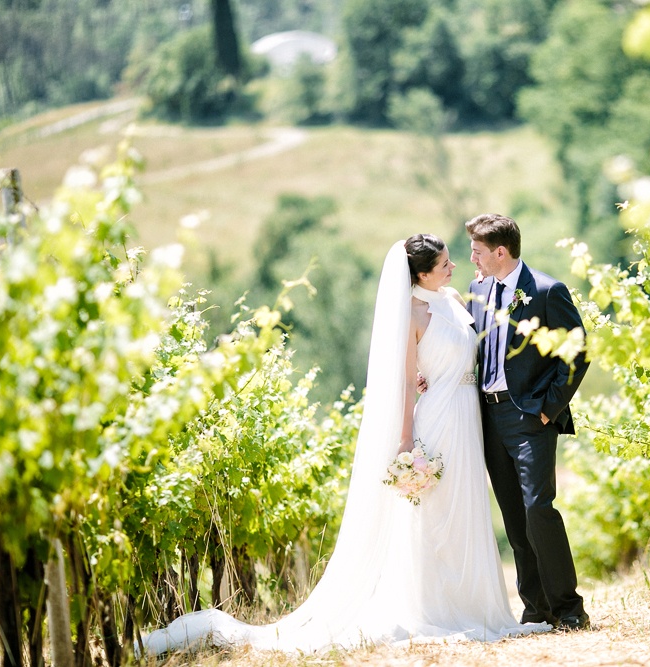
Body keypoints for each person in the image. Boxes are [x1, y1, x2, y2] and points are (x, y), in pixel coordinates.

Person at [139, 234, 550, 656]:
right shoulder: (411, 314)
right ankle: (437, 606)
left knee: (466, 507)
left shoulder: (455, 300)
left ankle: (475, 604)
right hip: (438, 420)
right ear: (422, 274)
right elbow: (406, 381)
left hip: (468, 417)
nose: (453, 267)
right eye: (444, 264)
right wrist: (406, 438)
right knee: (434, 513)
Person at [465, 213, 591, 631]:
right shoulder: (477, 290)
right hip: (488, 416)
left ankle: (569, 608)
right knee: (514, 517)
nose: (472, 259)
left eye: (478, 251)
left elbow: (577, 350)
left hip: (530, 415)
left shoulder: (547, 290)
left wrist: (549, 407)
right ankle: (536, 609)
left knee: (538, 508)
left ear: (500, 252)